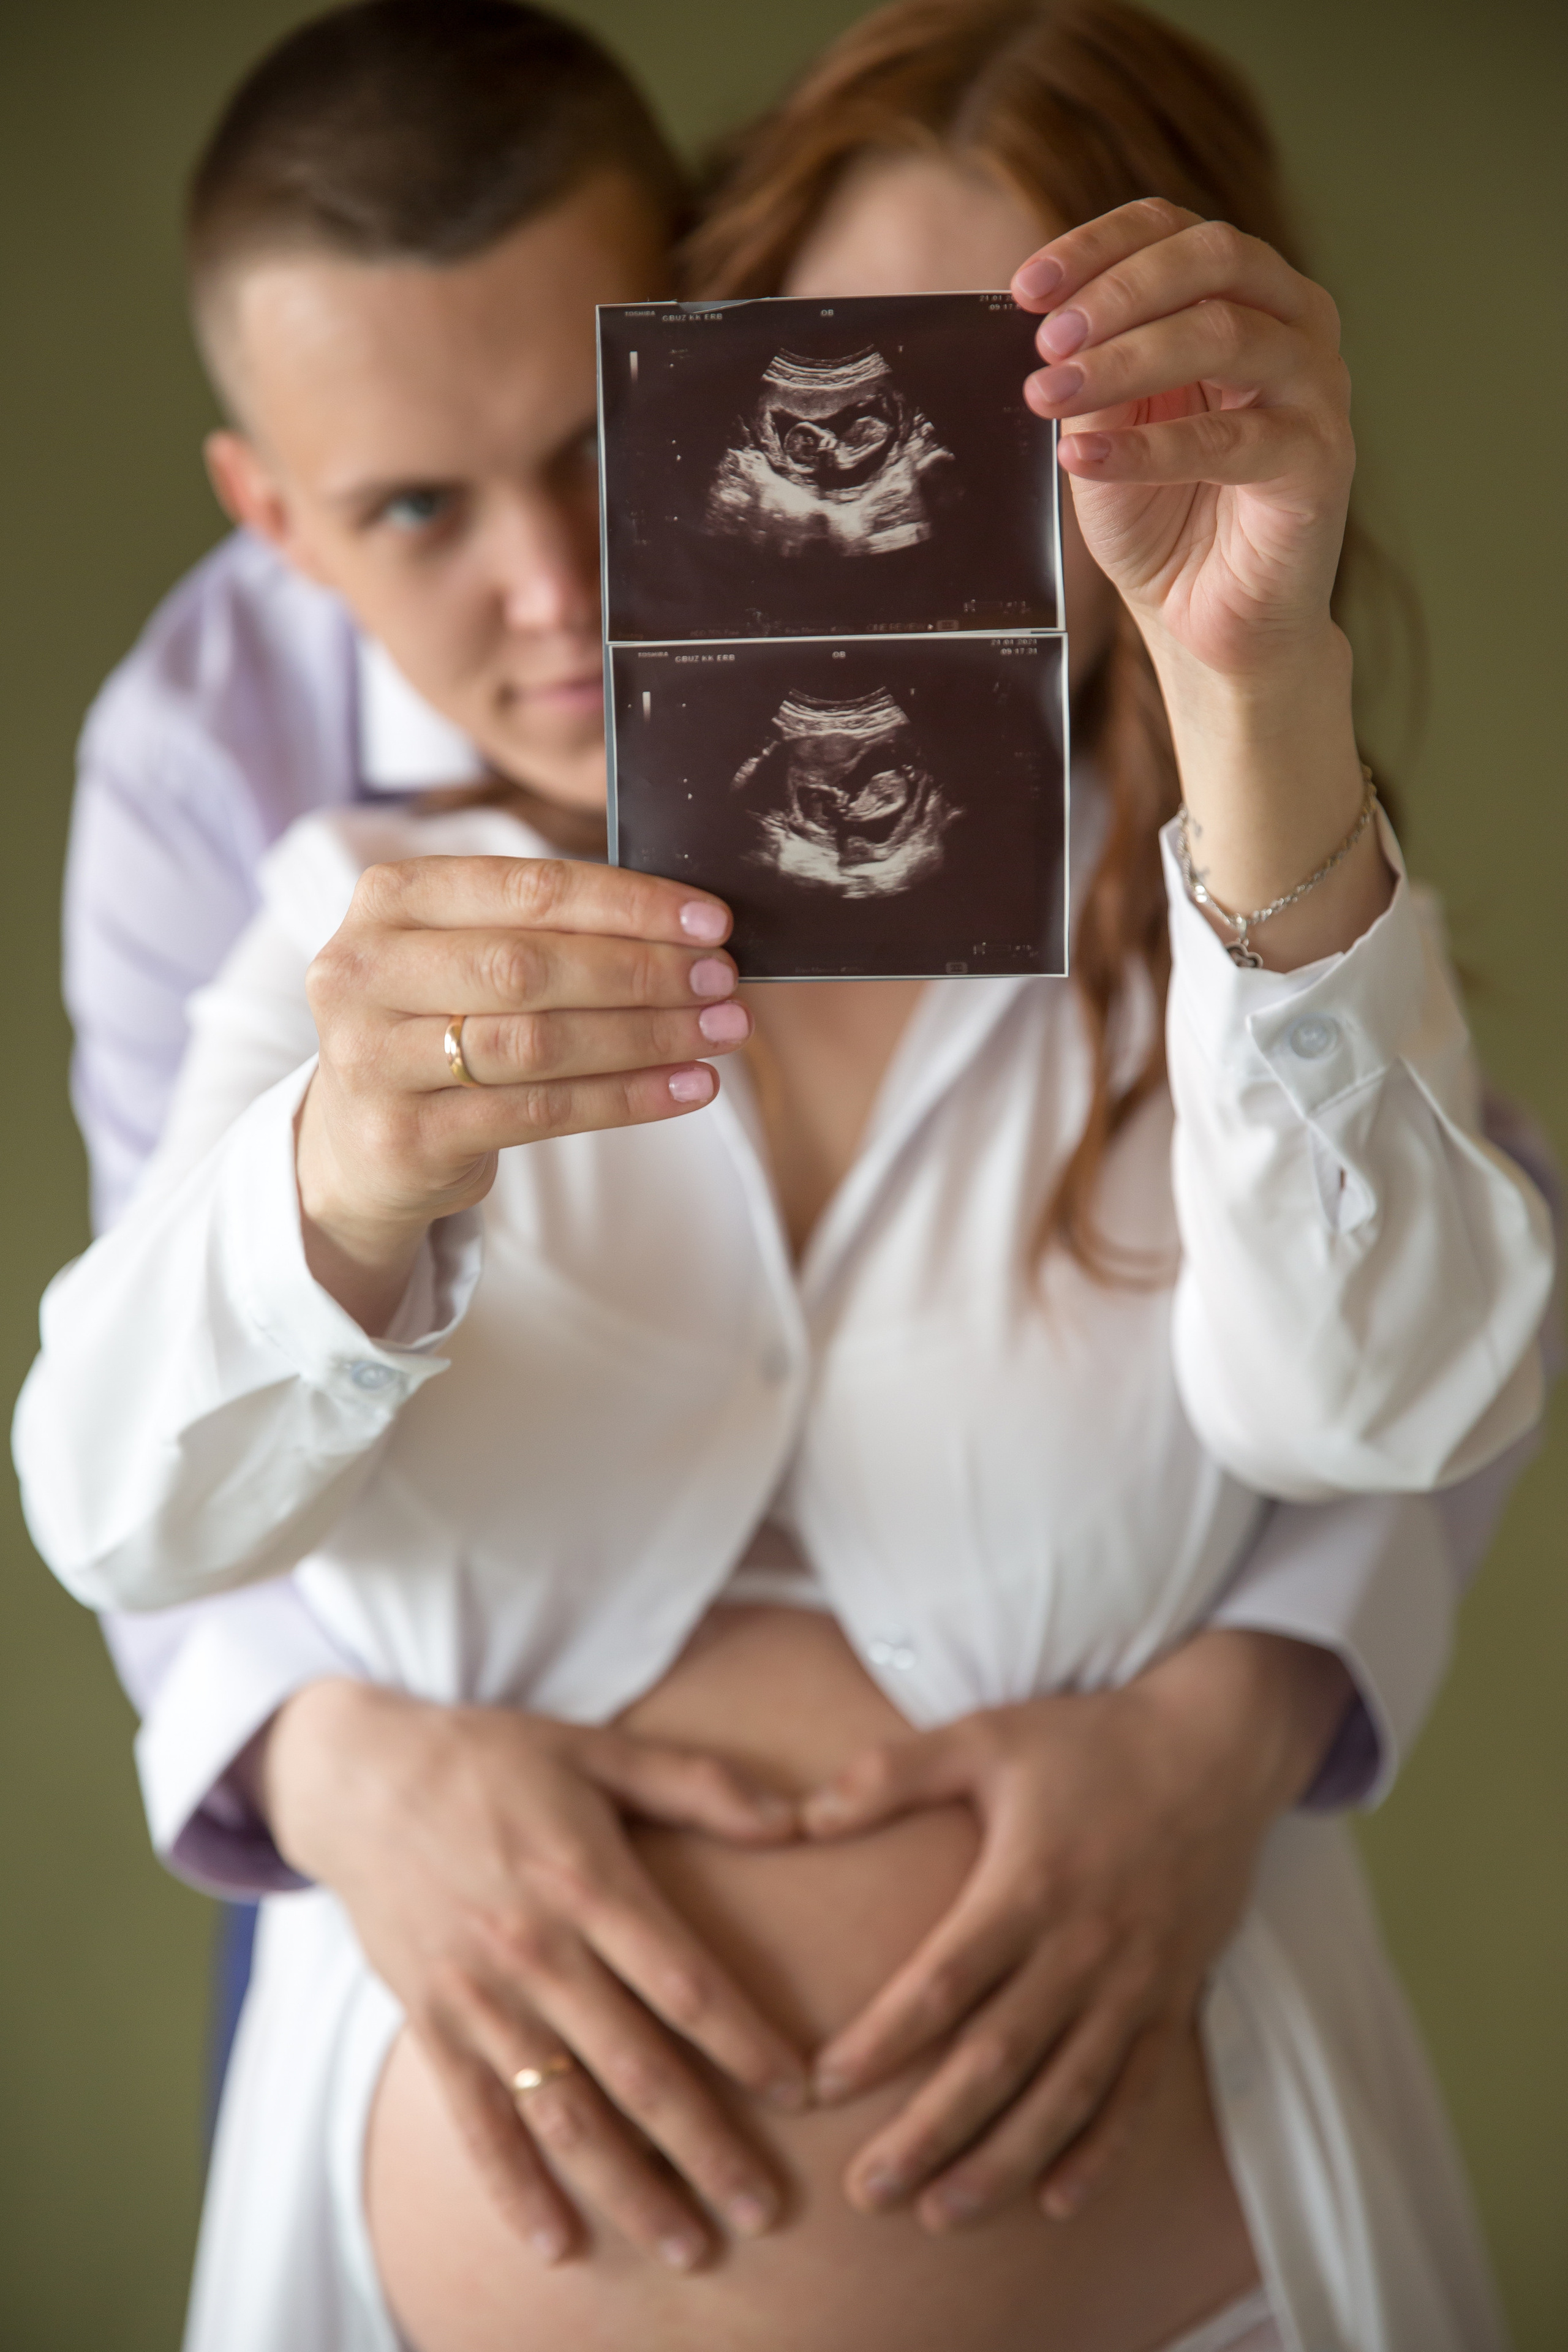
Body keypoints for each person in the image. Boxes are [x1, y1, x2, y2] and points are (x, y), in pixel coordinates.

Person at [23, 2, 1553, 2348]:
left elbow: (1390, 1416)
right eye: (837, 401)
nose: (552, 591)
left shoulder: (1256, 949)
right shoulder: (326, 884)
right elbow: (125, 1511)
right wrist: (340, 1188)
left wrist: (1254, 702)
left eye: (994, 430)